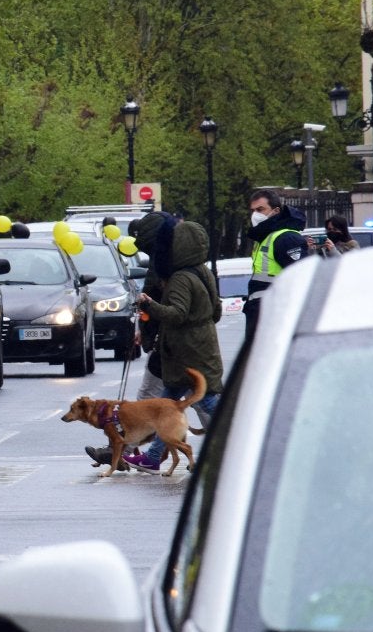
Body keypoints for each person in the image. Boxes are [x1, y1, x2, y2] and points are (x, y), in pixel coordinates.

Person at [119, 212, 224, 474]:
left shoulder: (179, 279)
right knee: (167, 402)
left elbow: (176, 314)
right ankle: (153, 457)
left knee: (208, 400)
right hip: (198, 344)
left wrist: (150, 305)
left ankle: (239, 441)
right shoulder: (203, 272)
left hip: (185, 348)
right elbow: (217, 311)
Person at [242, 189, 307, 341]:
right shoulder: (266, 238)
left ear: (276, 210)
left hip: (274, 314)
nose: (255, 215)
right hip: (264, 311)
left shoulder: (286, 238)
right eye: (253, 211)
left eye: (260, 209)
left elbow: (300, 279)